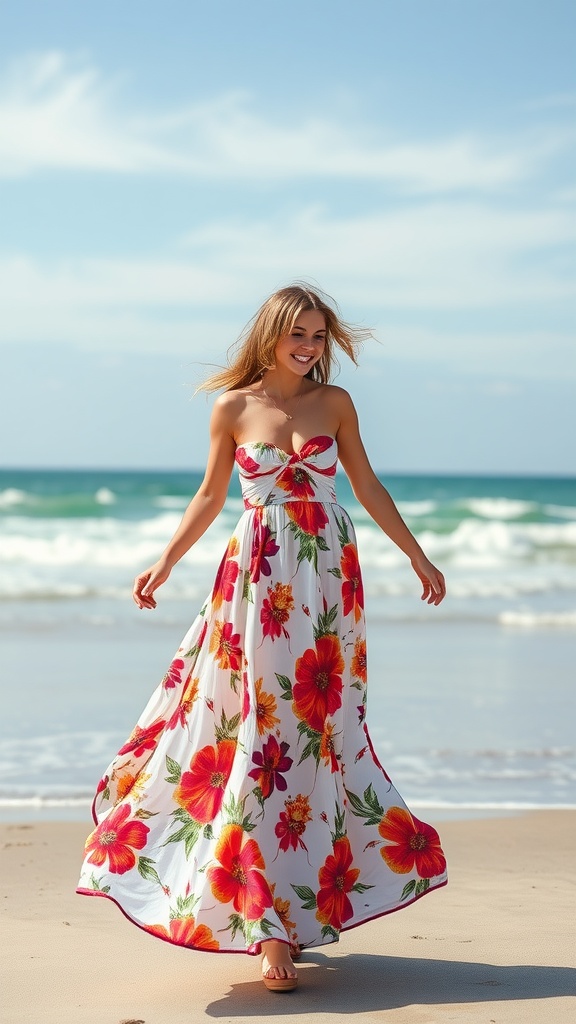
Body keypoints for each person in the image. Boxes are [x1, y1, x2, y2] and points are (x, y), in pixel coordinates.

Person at [77, 284, 447, 993]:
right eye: (297, 335)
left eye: (318, 336)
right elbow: (211, 496)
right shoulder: (233, 407)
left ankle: (299, 905)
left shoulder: (334, 405)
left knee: (315, 735)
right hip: (258, 582)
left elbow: (365, 486)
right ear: (271, 335)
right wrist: (165, 560)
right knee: (257, 733)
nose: (308, 347)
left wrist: (415, 552)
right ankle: (267, 923)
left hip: (327, 581)